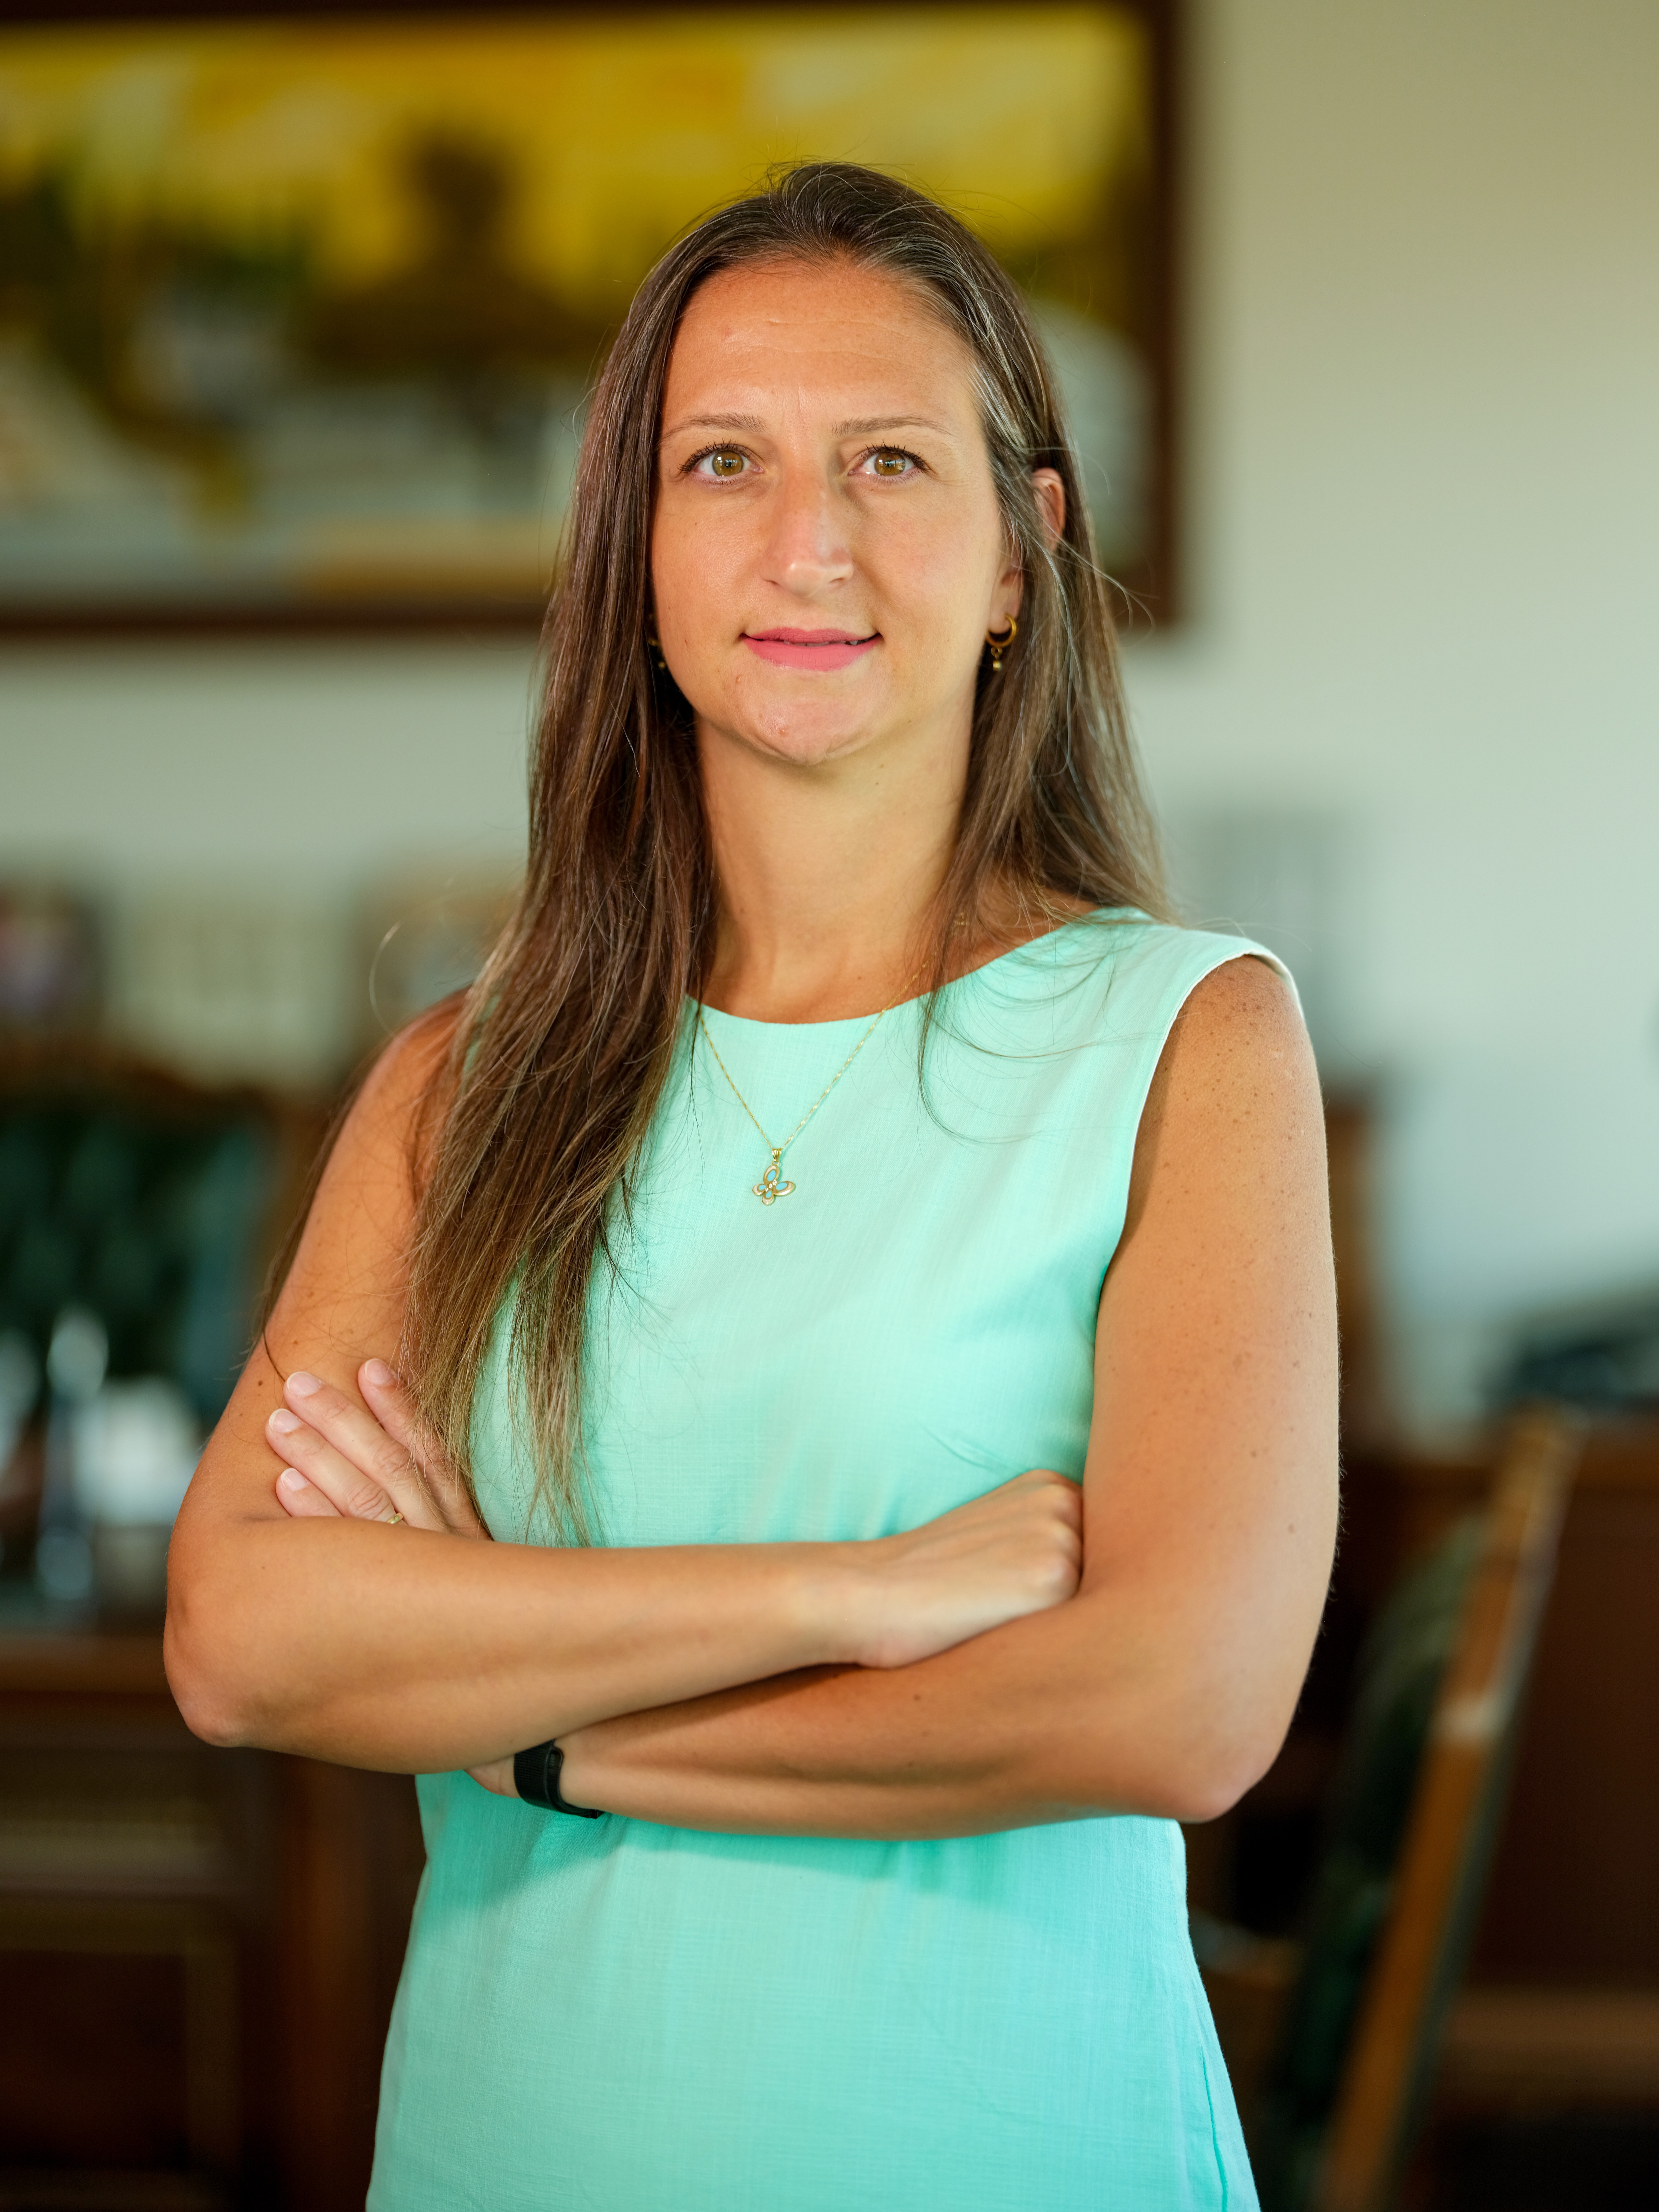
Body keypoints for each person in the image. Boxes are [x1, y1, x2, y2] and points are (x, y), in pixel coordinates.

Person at [167, 162, 1338, 2210]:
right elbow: (245, 1639)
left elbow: (1181, 1705)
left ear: (1018, 550)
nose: (809, 543)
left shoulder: (1188, 1042)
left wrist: (538, 1729)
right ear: (638, 548)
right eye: (725, 463)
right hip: (511, 2146)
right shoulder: (465, 1083)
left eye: (890, 460)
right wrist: (854, 1598)